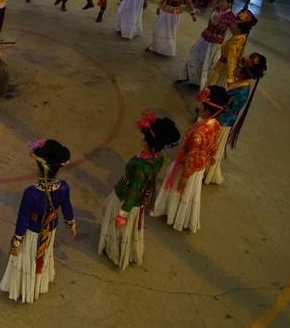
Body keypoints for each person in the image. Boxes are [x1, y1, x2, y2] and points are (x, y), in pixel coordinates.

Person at [98, 113, 180, 270]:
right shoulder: (158, 158)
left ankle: (115, 252)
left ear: (149, 144)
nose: (141, 139)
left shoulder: (140, 167)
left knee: (116, 226)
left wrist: (123, 213)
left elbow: (135, 190)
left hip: (125, 197)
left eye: (144, 138)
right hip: (137, 198)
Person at [0, 139, 77, 303]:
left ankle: (25, 288)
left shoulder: (31, 193)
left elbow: (23, 218)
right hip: (51, 229)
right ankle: (38, 284)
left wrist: (17, 240)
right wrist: (71, 224)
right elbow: (67, 208)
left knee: (28, 257)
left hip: (33, 232)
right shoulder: (64, 187)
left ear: (39, 167)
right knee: (44, 254)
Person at [151, 86, 229, 232]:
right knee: (190, 192)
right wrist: (210, 157)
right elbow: (213, 145)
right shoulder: (216, 125)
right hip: (200, 167)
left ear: (206, 110)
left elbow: (192, 156)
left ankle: (171, 214)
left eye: (202, 106)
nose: (199, 107)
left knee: (178, 189)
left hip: (187, 166)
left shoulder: (198, 133)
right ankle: (181, 218)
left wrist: (185, 176)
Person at [205, 54, 267, 185]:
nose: (234, 69)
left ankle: (205, 171)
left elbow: (225, 107)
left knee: (210, 147)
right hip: (217, 119)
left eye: (238, 67)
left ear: (243, 72)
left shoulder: (242, 91)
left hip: (221, 123)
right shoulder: (238, 82)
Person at [177, 0, 240, 89]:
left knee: (207, 64)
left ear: (229, 4)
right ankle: (189, 77)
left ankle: (200, 84)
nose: (220, 3)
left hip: (214, 44)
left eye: (223, 2)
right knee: (193, 56)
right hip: (204, 38)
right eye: (220, 1)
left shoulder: (231, 17)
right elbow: (209, 23)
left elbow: (236, 34)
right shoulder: (216, 9)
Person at [209, 9, 258, 87]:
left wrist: (230, 77)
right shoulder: (241, 37)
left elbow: (232, 58)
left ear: (239, 26)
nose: (232, 26)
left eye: (234, 24)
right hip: (225, 67)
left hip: (224, 69)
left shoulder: (237, 40)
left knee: (216, 87)